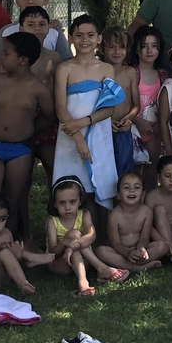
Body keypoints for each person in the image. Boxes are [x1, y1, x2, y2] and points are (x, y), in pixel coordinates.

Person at [0, 32, 55, 241]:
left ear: (22, 60)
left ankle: (11, 244)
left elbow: (51, 116)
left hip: (20, 150)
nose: (1, 57)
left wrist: (30, 128)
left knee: (13, 201)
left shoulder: (38, 89)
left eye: (6, 53)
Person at [53, 14, 126, 212]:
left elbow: (109, 107)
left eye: (90, 35)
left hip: (98, 134)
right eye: (79, 35)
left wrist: (84, 122)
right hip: (69, 135)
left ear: (99, 39)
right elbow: (60, 107)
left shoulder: (106, 69)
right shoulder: (64, 68)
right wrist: (78, 137)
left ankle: (100, 235)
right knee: (70, 183)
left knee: (99, 182)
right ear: (71, 38)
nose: (85, 40)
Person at [46, 176, 123, 295]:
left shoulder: (84, 214)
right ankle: (101, 268)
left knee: (76, 244)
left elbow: (92, 235)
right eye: (62, 203)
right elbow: (53, 251)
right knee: (74, 234)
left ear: (80, 200)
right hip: (61, 263)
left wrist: (72, 247)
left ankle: (83, 283)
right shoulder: (52, 221)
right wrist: (65, 243)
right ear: (55, 203)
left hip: (83, 261)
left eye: (72, 202)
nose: (67, 208)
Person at [0, 0, 71, 70]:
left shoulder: (55, 31)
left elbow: (66, 62)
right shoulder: (7, 31)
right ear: (17, 1)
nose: (30, 1)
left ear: (45, 0)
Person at [97, 170, 162, 274]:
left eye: (137, 187)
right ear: (118, 195)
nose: (132, 191)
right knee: (101, 251)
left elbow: (145, 237)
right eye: (126, 187)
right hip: (121, 253)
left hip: (139, 251)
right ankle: (137, 267)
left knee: (162, 246)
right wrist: (128, 253)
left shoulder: (147, 212)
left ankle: (134, 264)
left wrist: (141, 249)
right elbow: (115, 243)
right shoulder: (114, 215)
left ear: (143, 194)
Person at [127, 25, 166, 186]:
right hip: (132, 130)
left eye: (154, 46)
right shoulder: (131, 73)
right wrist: (137, 121)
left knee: (151, 172)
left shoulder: (163, 75)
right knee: (131, 174)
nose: (149, 50)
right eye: (144, 46)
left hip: (154, 131)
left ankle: (149, 207)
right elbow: (123, 103)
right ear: (136, 49)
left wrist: (159, 125)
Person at [100, 27, 139, 177]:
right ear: (102, 49)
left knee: (124, 170)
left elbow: (136, 105)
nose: (117, 51)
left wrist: (129, 118)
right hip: (102, 130)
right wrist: (105, 121)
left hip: (123, 130)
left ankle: (123, 200)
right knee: (104, 171)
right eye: (111, 47)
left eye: (122, 47)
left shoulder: (129, 72)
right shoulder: (98, 71)